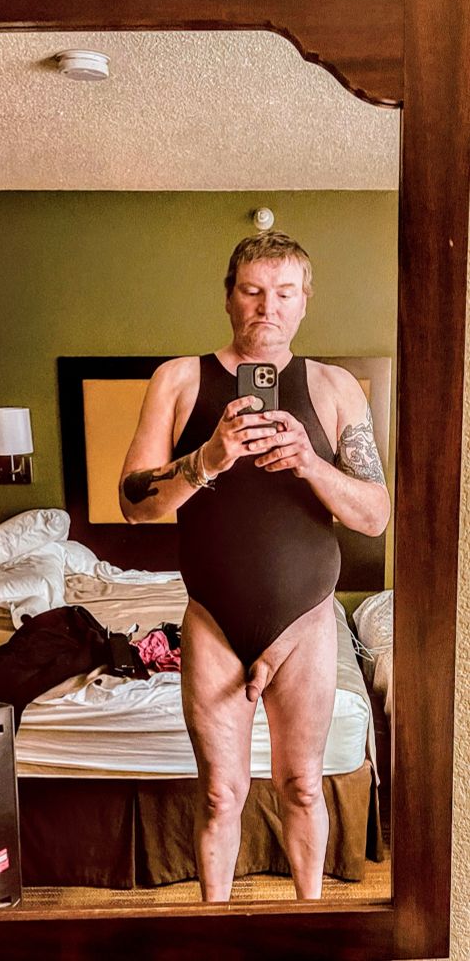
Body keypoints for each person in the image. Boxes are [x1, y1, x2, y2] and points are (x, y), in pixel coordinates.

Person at [118, 231, 390, 902]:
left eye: (284, 293)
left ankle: (308, 918)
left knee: (303, 786)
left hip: (305, 621)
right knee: (219, 794)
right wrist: (208, 459)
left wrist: (309, 463)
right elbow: (133, 504)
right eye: (253, 291)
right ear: (229, 297)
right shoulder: (179, 380)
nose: (268, 307)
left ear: (305, 302)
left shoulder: (335, 388)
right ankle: (215, 928)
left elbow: (375, 515)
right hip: (214, 619)